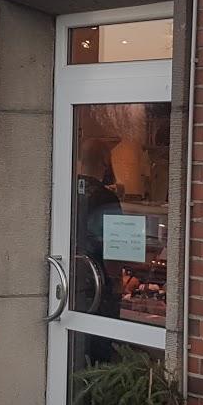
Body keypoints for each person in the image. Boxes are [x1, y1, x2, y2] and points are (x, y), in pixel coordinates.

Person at [72, 136, 123, 321]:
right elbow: (114, 246)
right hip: (97, 279)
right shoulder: (106, 198)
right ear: (105, 163)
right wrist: (117, 283)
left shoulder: (68, 191)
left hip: (72, 277)